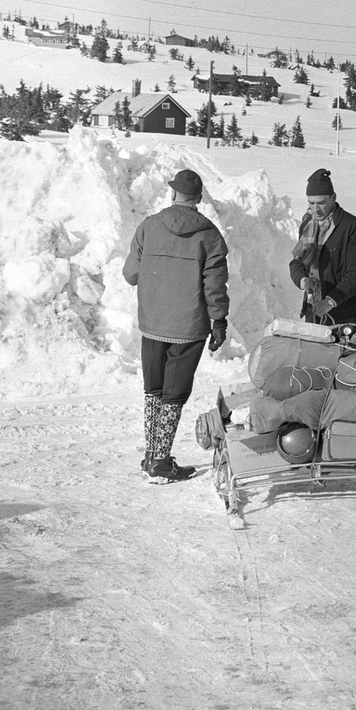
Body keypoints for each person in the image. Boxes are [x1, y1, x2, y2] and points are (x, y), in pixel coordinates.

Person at [123, 168, 229, 484]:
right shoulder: (209, 235)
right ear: (198, 199)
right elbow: (215, 284)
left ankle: (152, 456)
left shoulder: (148, 227)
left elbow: (130, 274)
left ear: (172, 193)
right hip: (189, 328)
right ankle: (160, 462)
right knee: (174, 393)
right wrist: (219, 320)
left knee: (153, 390)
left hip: (153, 324)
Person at [288, 168, 356, 328]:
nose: (316, 210)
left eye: (321, 203)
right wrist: (303, 280)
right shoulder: (308, 226)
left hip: (342, 310)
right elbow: (297, 263)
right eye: (311, 203)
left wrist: (330, 301)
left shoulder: (352, 227)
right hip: (312, 307)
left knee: (340, 353)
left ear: (333, 198)